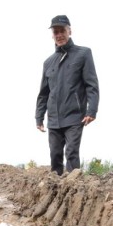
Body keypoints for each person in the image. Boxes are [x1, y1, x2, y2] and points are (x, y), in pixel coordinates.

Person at [35, 15, 99, 175]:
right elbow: (43, 93)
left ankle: (74, 190)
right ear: (52, 35)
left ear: (69, 31)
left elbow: (92, 85)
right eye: (55, 32)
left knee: (71, 153)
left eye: (62, 31)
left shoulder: (83, 54)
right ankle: (56, 193)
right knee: (55, 156)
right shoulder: (48, 62)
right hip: (54, 118)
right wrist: (39, 117)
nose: (59, 35)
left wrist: (92, 110)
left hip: (74, 116)